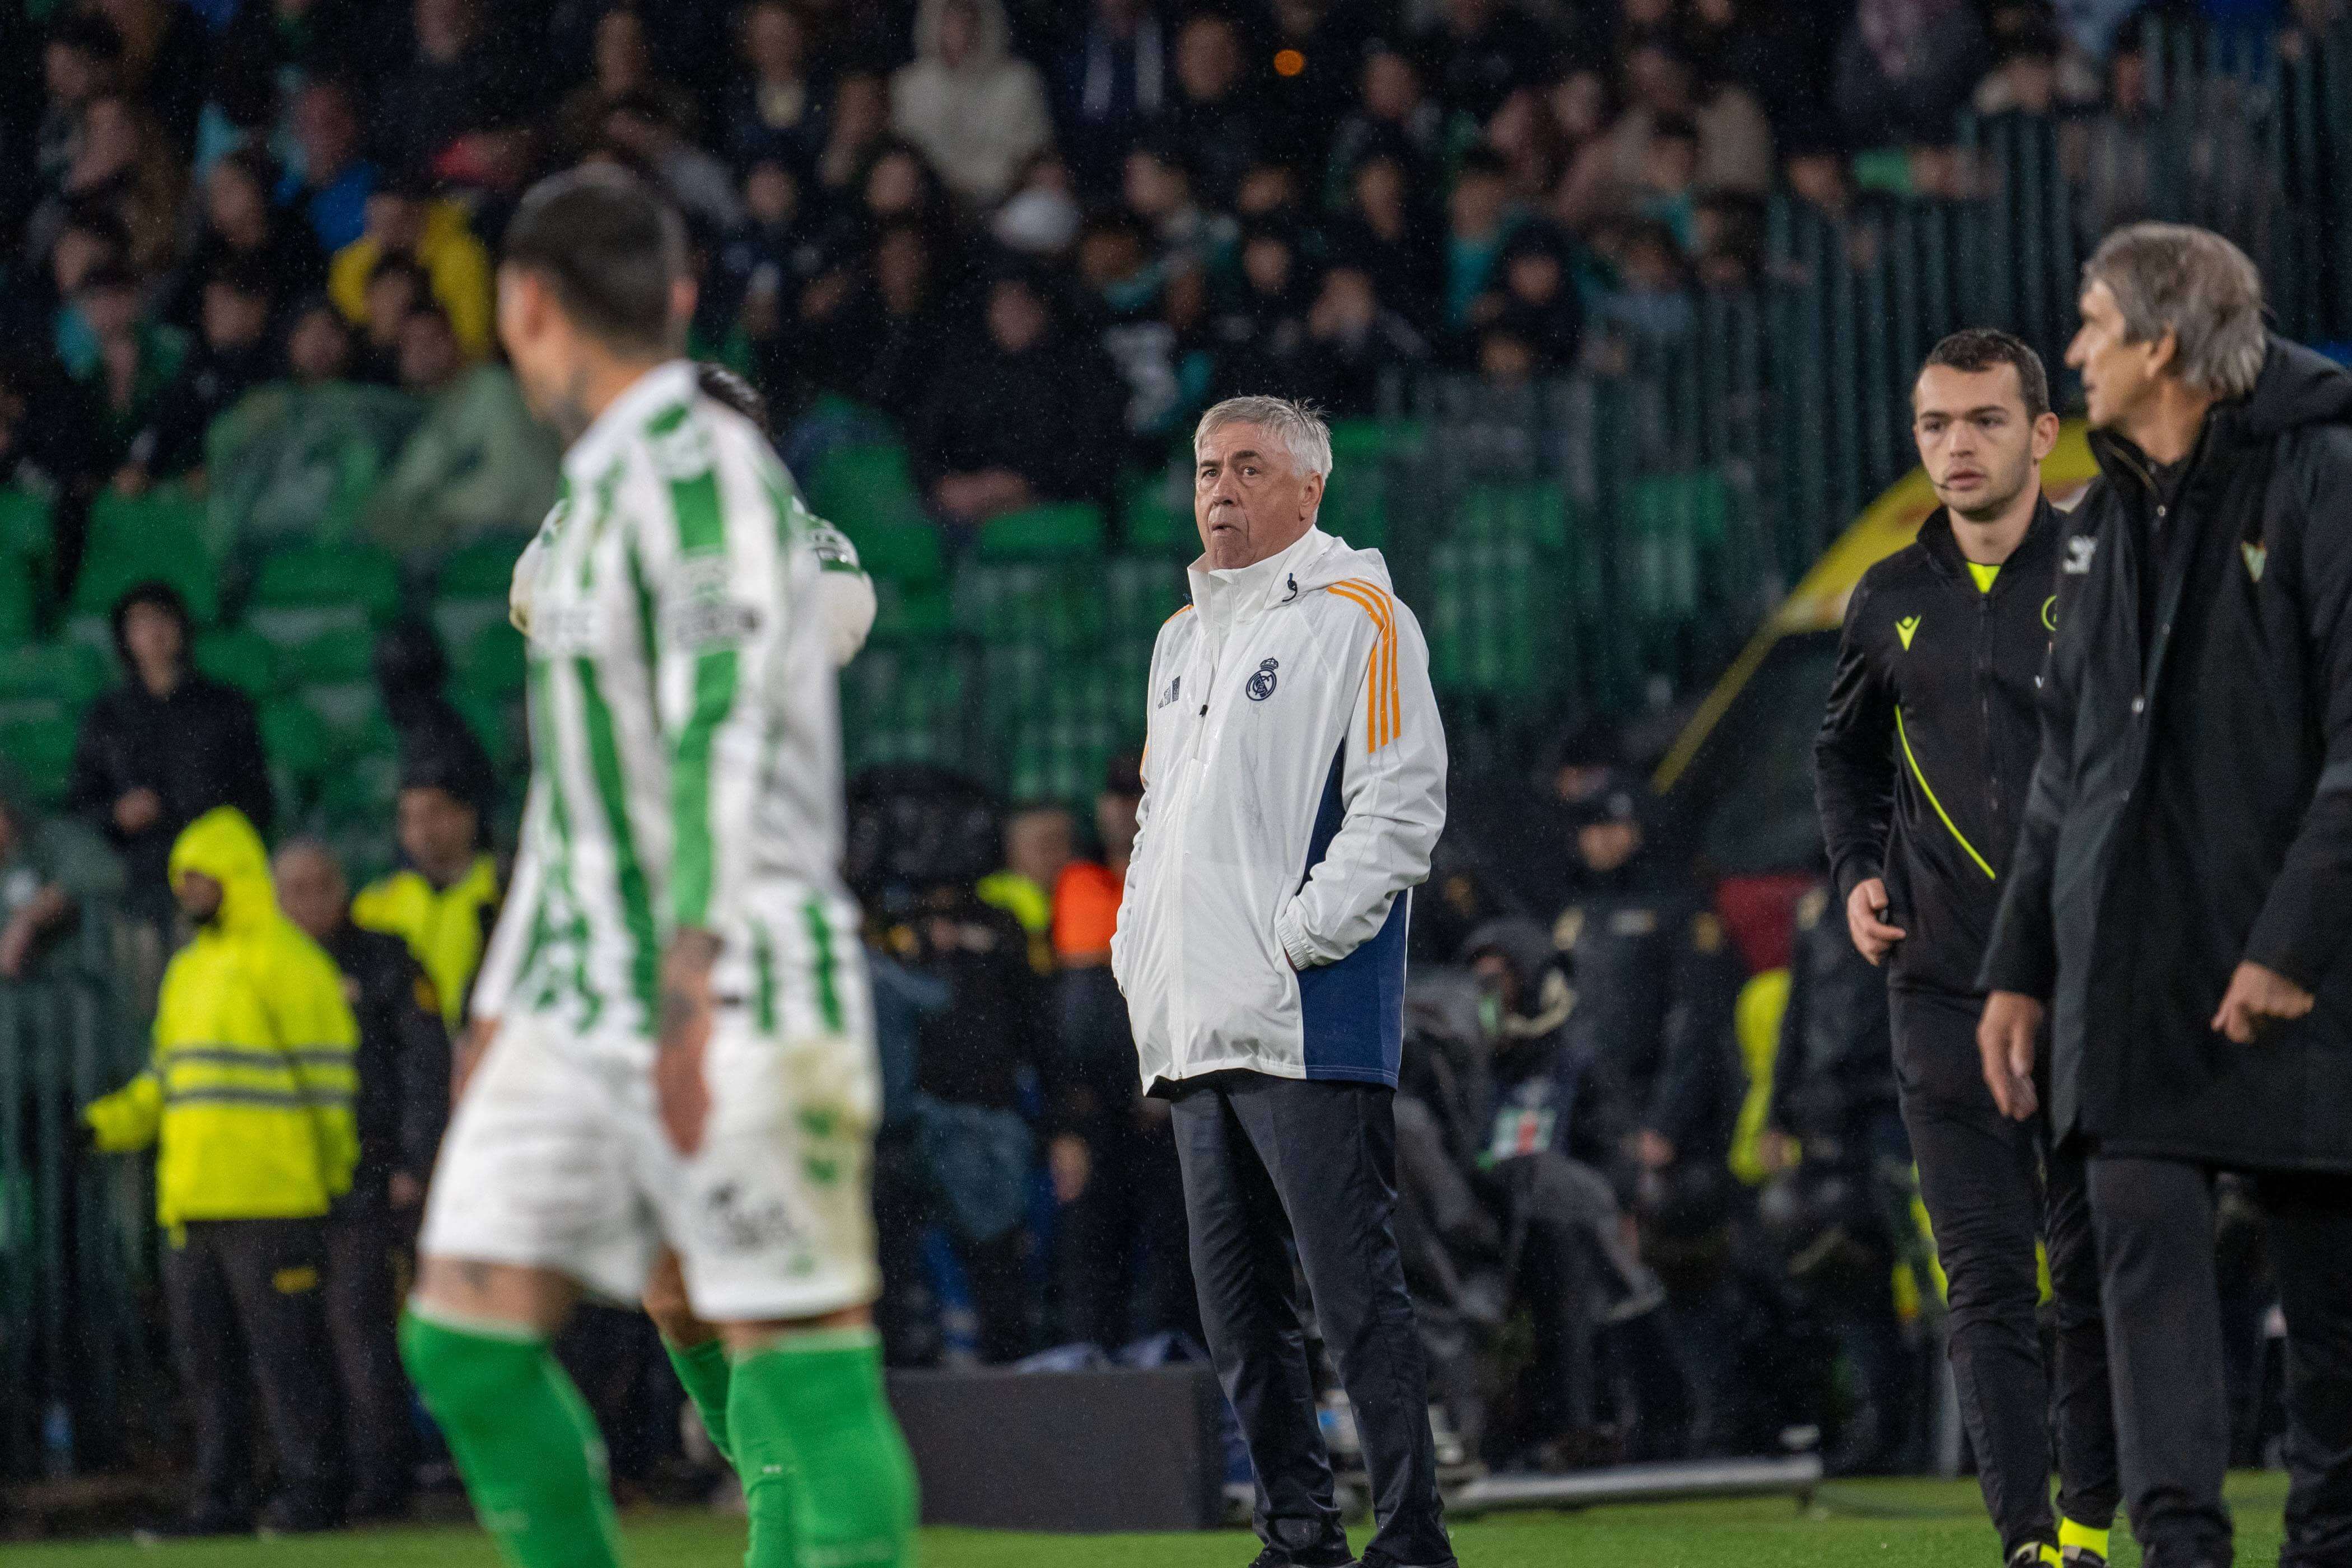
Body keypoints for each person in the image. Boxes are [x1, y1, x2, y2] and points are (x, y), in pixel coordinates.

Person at [402, 167, 915, 1568]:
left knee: (790, 1335)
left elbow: (725, 744)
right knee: (481, 1334)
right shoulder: (581, 525)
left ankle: (787, 1521)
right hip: (586, 977)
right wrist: (506, 999)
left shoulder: (735, 512)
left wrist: (693, 968)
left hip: (734, 971)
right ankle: (770, 1496)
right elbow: (574, 804)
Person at [1977, 223, 2352, 1568]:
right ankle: (2180, 1548)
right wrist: (2022, 967)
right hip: (2129, 973)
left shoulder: (2326, 480)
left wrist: (2294, 943)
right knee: (2138, 1270)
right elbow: (2065, 769)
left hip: (2300, 980)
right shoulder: (2103, 517)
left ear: (2163, 345)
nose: (2069, 350)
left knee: (2331, 1330)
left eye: (2087, 323)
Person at [1115, 395, 1454, 1568]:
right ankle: (1298, 1531)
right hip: (1196, 1020)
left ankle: (1412, 1539)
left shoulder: (1360, 614)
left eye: (1248, 468)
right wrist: (1138, 957)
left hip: (1306, 1014)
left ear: (1308, 491)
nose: (1219, 489)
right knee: (1243, 1316)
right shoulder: (1180, 636)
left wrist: (1301, 935)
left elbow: (1401, 800)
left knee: (1354, 1297)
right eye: (1207, 467)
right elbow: (1160, 820)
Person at [1814, 328, 2120, 1567]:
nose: (1955, 445)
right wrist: (1856, 872)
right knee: (1988, 1280)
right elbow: (1840, 752)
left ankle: (2094, 1521)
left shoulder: (2107, 572)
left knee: (2094, 1275)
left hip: (2088, 979)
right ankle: (2030, 1544)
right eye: (1936, 423)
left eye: (1984, 420)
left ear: (2044, 435)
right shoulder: (1886, 597)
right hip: (1937, 983)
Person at [82, 808, 358, 1535]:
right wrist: (104, 1126)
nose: (187, 890)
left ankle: (314, 1496)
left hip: (274, 1200)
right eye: (181, 878)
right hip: (195, 1203)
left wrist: (331, 1180)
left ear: (234, 877)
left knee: (287, 1363)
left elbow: (331, 1085)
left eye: (199, 876)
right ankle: (220, 1504)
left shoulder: (290, 960)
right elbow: (167, 1083)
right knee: (210, 1374)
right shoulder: (189, 970)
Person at [273, 837, 451, 1523]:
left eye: (320, 884)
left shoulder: (385, 958)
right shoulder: (266, 966)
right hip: (288, 1180)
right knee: (297, 1337)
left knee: (360, 1329)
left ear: (342, 887)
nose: (308, 901)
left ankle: (382, 1482)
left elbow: (422, 1068)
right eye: (293, 888)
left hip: (370, 1176)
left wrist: (415, 1160)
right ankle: (317, 1481)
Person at [66, 582, 273, 925]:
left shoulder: (227, 706)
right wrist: (118, 815)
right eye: (141, 623)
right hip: (133, 881)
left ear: (182, 627)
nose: (154, 633)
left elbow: (259, 801)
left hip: (215, 877)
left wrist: (187, 814)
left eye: (163, 619)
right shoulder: (106, 717)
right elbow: (80, 807)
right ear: (125, 638)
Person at [351, 741, 500, 1035]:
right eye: (410, 819)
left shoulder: (504, 892)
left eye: (435, 813)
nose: (423, 831)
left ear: (468, 815)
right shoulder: (375, 904)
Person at [0, 760, 122, 981]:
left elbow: (109, 874)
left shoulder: (54, 838)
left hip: (74, 995)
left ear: (11, 808)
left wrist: (33, 916)